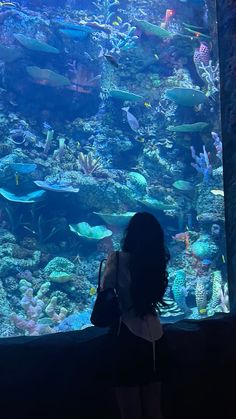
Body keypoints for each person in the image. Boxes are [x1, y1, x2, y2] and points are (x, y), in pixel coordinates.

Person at [100, 211, 170, 419]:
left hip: (128, 338)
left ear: (130, 235)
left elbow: (106, 289)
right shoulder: (158, 263)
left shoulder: (118, 259)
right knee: (154, 409)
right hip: (157, 339)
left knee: (130, 411)